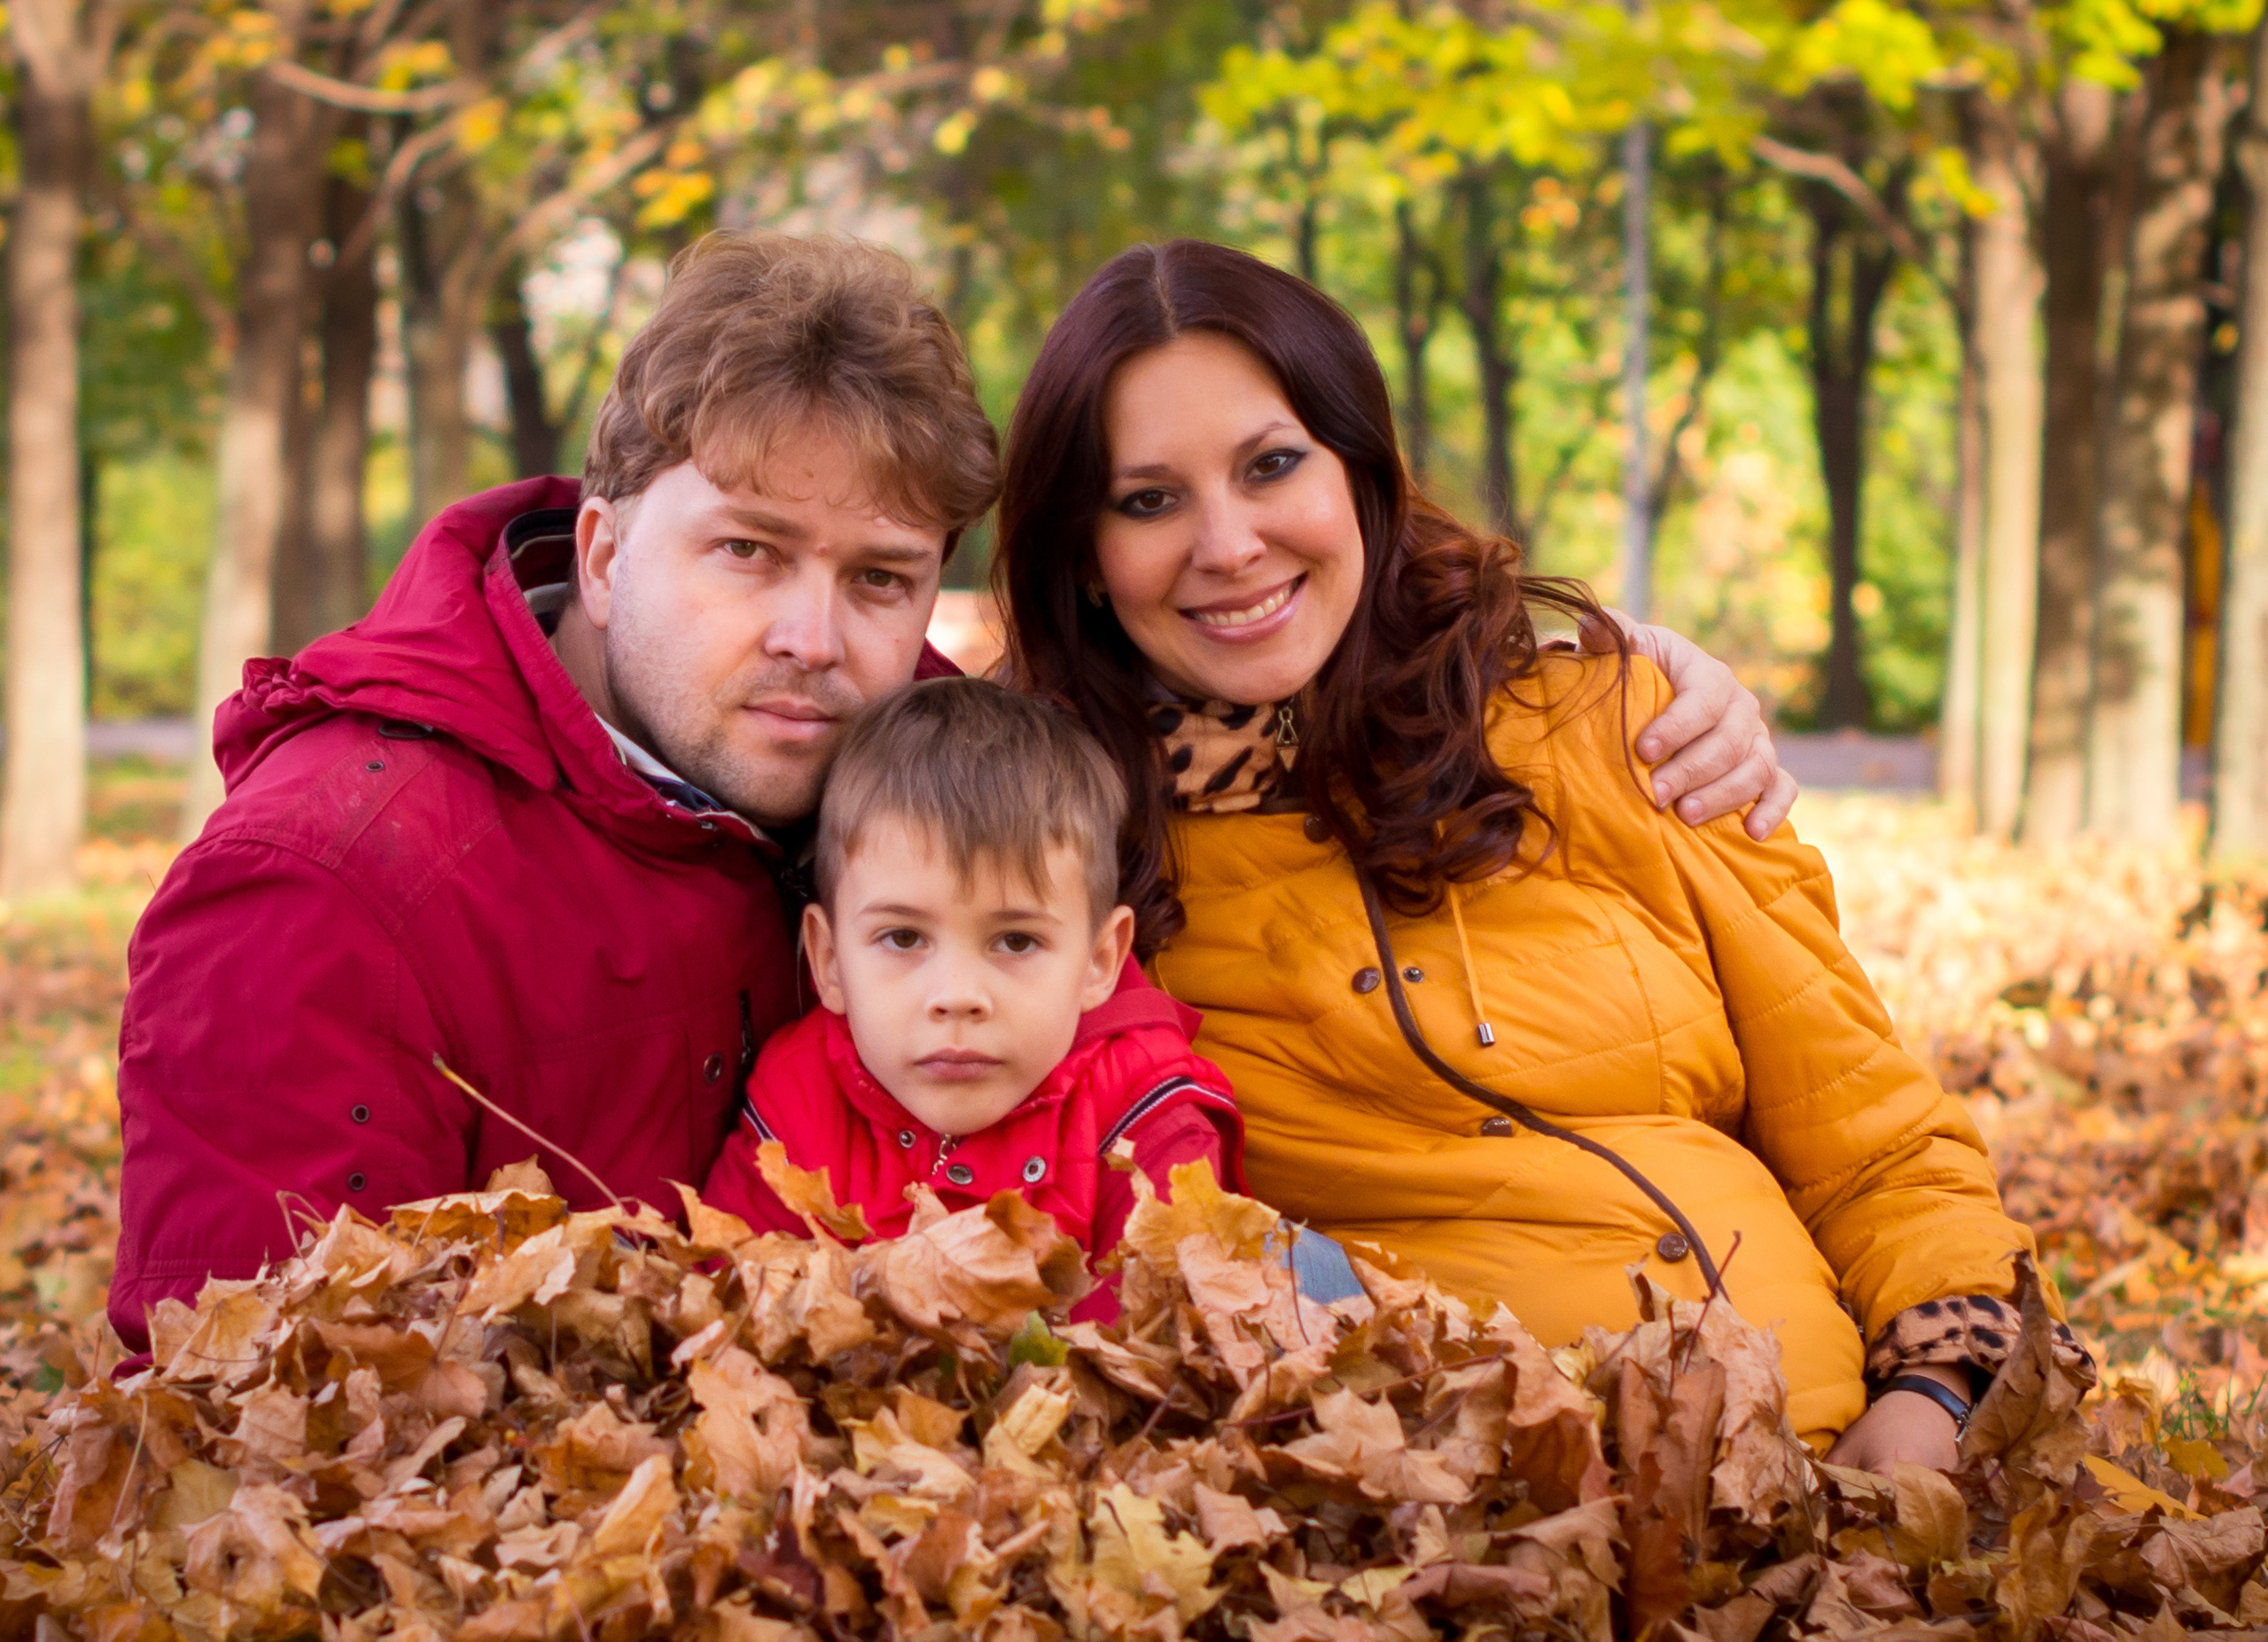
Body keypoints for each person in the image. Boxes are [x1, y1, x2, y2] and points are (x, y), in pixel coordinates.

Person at [110, 228, 1781, 1354]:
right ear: (606, 544)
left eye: (879, 576)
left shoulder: (912, 764)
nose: (808, 639)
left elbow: (1211, 647)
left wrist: (1607, 658)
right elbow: (255, 1417)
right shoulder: (327, 880)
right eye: (745, 552)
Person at [992, 238, 2092, 1468]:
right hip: (1478, 1524)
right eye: (1147, 500)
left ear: (1361, 472)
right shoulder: (1049, 867)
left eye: (1271, 465)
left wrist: (1933, 1396)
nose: (1229, 541)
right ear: (1082, 560)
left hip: (1849, 1470)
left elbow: (1877, 1139)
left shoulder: (1614, 730)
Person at [703, 677, 1243, 1319]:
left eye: (1015, 941)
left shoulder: (1143, 1115)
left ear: (1100, 959)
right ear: (828, 960)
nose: (957, 997)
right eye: (903, 936)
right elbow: (727, 1298)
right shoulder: (799, 1095)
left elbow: (1163, 1342)